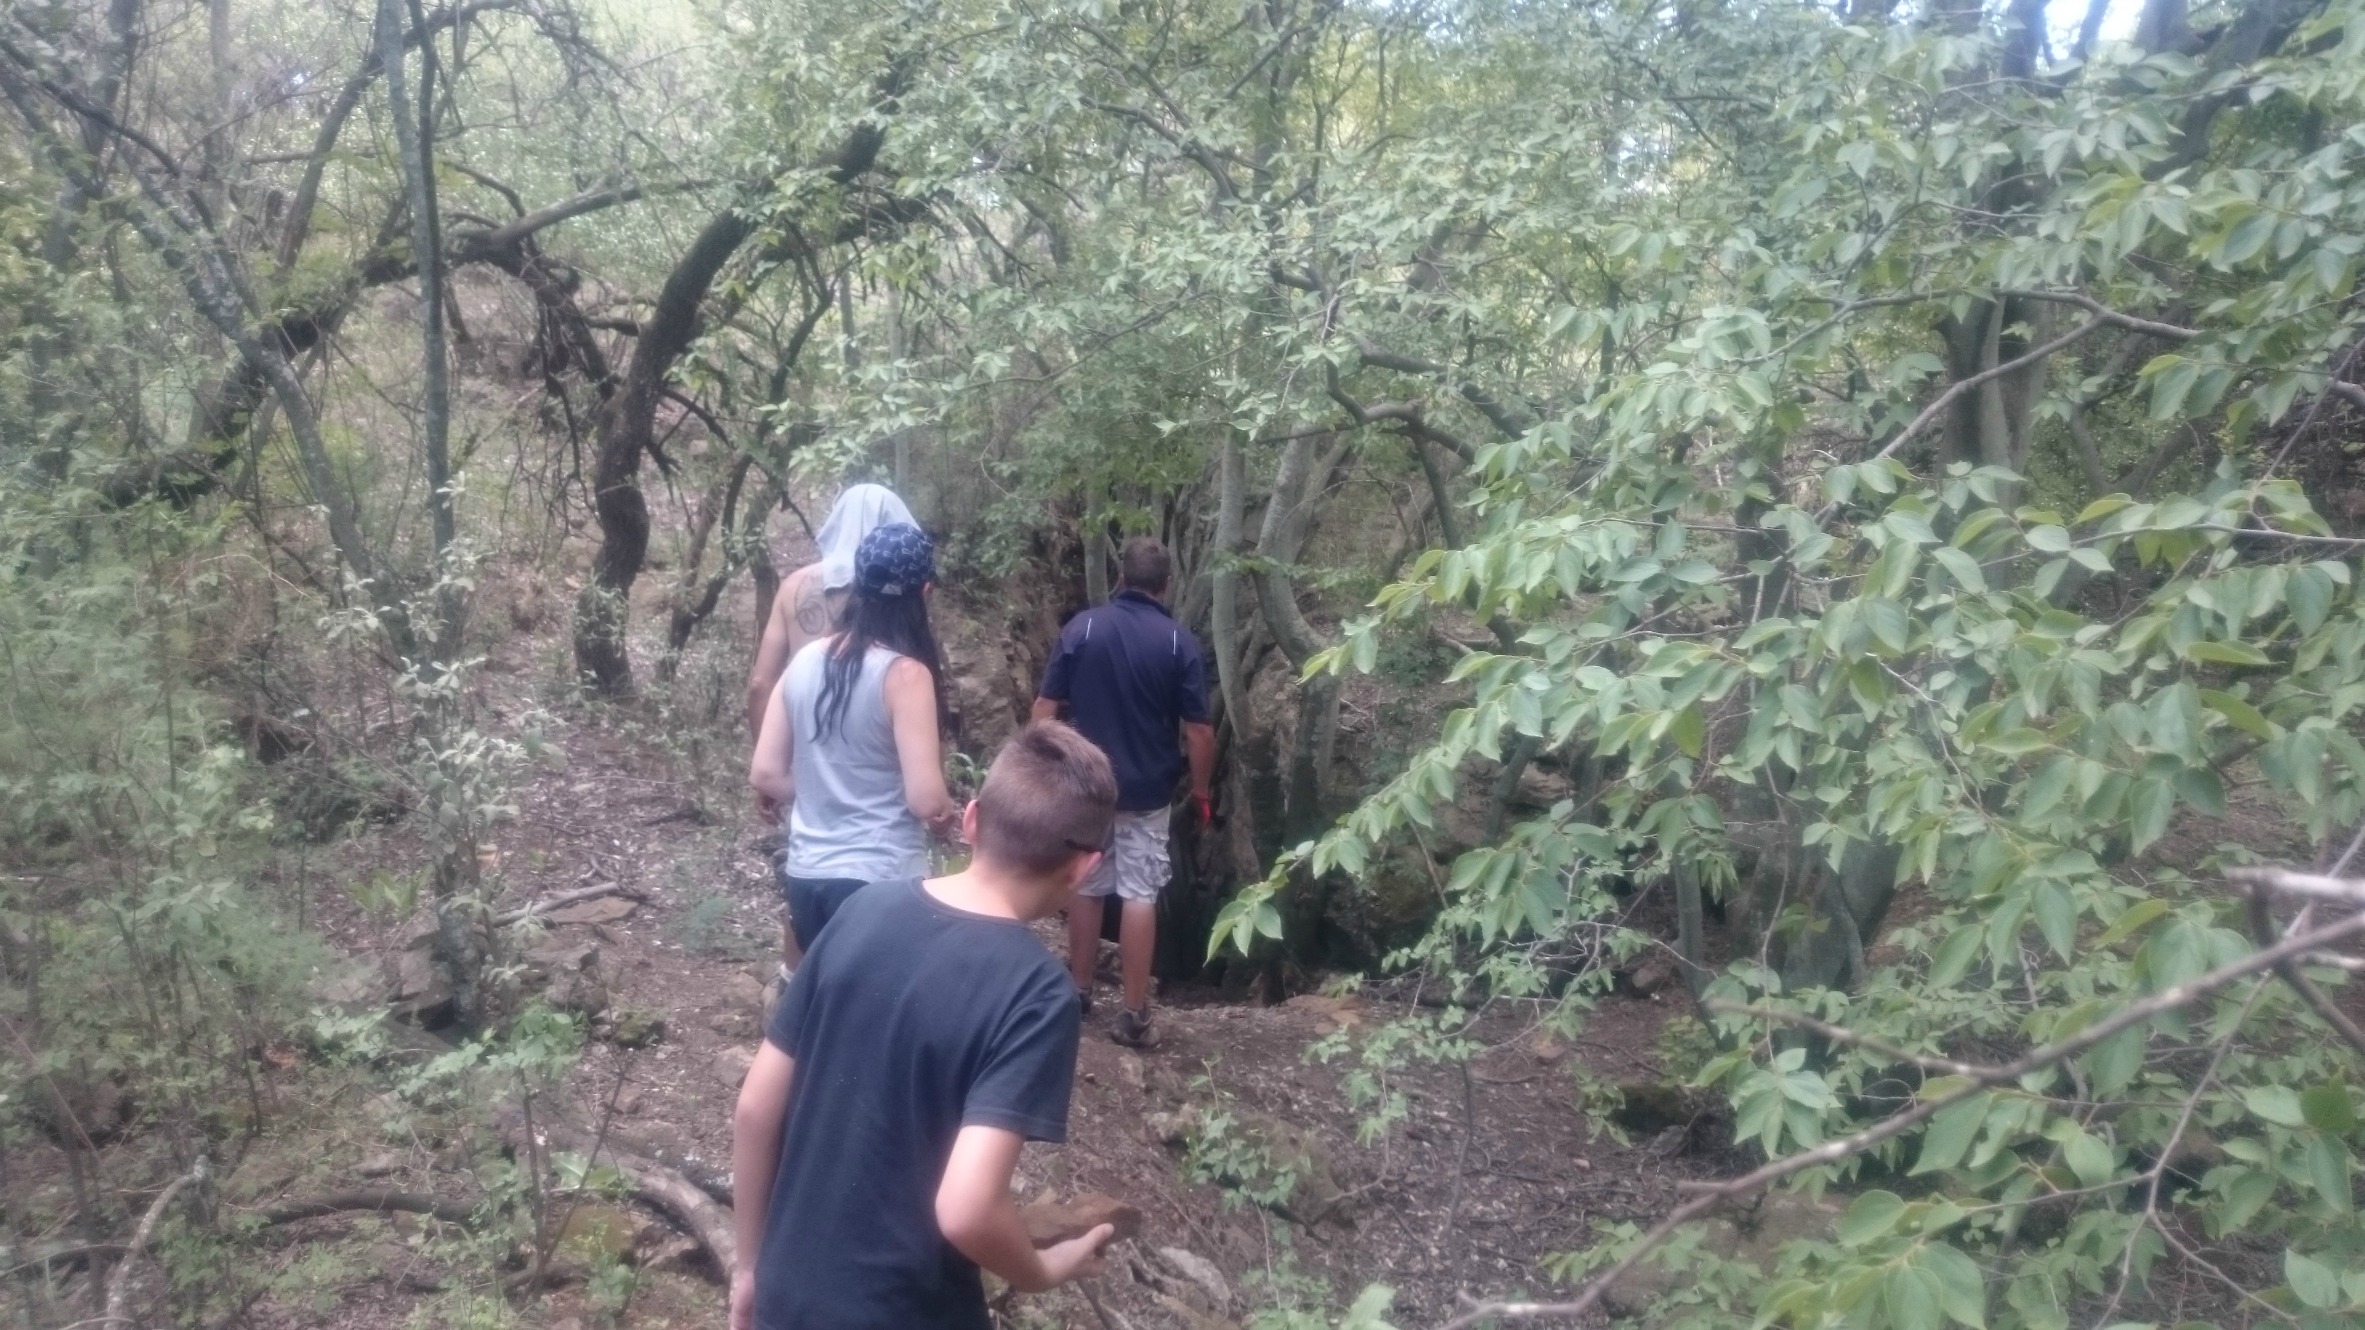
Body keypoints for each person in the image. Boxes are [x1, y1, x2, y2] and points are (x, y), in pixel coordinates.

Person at [730, 721, 1121, 1330]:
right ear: (1083, 868)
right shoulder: (1038, 994)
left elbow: (756, 1108)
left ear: (972, 819)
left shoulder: (864, 908)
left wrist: (749, 1268)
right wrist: (1043, 1271)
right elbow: (966, 1209)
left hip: (788, 1295)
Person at [1031, 536, 1215, 1049]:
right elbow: (1200, 732)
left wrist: (1050, 767)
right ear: (1166, 585)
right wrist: (1202, 792)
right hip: (1147, 792)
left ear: (1120, 578)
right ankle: (1133, 1015)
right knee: (1139, 893)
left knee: (1087, 883)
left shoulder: (1084, 628)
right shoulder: (1178, 642)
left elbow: (1044, 708)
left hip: (1087, 785)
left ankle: (1079, 991)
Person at [748, 522, 958, 969]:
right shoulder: (906, 675)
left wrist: (825, 791)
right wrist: (945, 813)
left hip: (808, 881)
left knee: (823, 1002)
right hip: (881, 882)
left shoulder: (804, 661)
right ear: (924, 591)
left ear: (858, 585)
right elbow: (925, 800)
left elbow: (764, 772)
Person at [745, 483, 916, 739]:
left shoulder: (792, 587)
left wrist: (768, 754)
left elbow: (760, 685)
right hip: (876, 746)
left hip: (805, 743)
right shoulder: (900, 594)